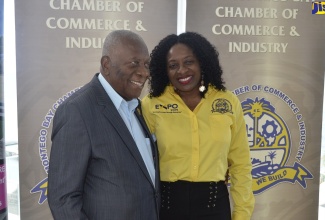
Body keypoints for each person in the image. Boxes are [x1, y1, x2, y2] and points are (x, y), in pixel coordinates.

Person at [48, 30, 160, 220]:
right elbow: (63, 199)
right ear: (106, 65)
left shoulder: (136, 107)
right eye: (134, 63)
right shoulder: (77, 111)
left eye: (146, 64)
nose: (144, 72)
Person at [141, 32, 255, 220]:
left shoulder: (227, 101)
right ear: (164, 70)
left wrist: (242, 214)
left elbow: (241, 164)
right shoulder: (151, 104)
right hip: (168, 209)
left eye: (189, 62)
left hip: (215, 207)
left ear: (202, 62)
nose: (182, 71)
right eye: (173, 65)